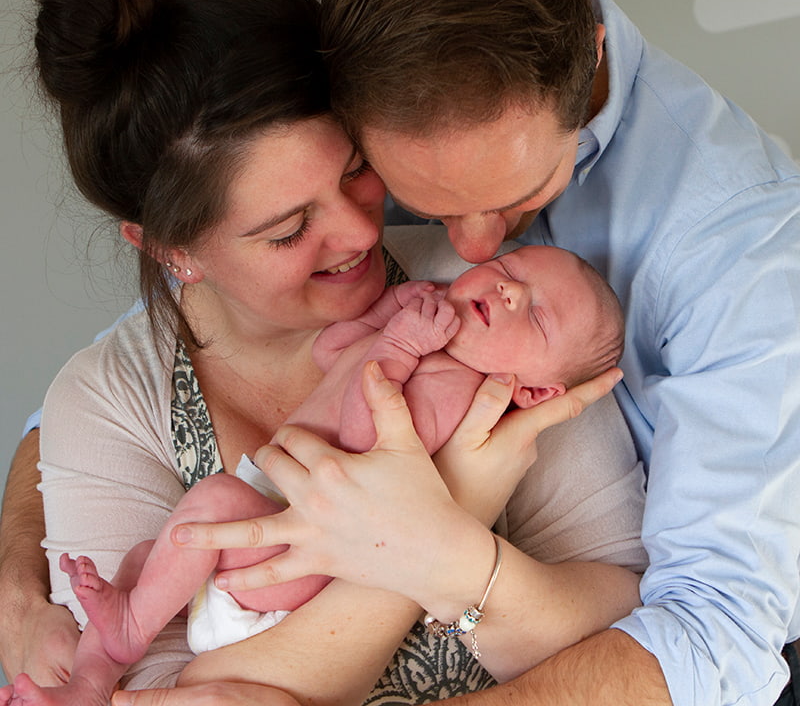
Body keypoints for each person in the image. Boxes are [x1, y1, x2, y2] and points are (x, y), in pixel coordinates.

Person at [156, 0, 800, 705]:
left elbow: (719, 639)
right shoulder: (385, 105)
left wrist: (441, 556)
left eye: (521, 198)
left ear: (588, 58)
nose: (469, 249)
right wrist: (20, 534)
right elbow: (230, 281)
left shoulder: (746, 251)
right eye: (422, 204)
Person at [0, 0, 647, 705]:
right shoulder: (109, 401)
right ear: (173, 250)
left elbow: (632, 617)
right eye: (288, 228)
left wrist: (439, 558)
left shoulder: (486, 305)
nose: (359, 232)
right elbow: (157, 694)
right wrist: (442, 528)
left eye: (355, 172)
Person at [1, 243, 627, 706]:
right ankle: (93, 674)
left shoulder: (462, 392)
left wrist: (400, 346)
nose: (511, 292)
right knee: (152, 552)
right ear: (175, 250)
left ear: (539, 391)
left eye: (537, 318)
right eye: (510, 271)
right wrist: (381, 321)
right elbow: (333, 357)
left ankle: (128, 630)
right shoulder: (112, 391)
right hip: (272, 520)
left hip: (294, 566)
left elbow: (365, 440)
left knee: (211, 506)